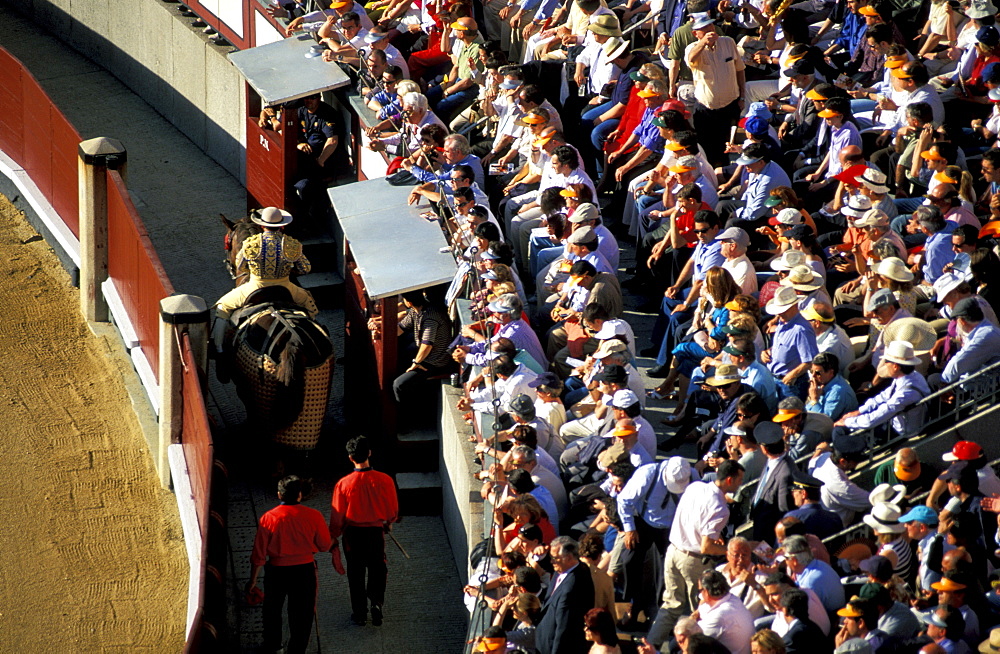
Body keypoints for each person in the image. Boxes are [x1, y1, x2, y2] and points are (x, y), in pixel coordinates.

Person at [647, 459, 745, 646]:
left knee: (670, 605)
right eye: (740, 480)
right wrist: (730, 552)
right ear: (730, 480)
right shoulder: (720, 508)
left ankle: (650, 645)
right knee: (700, 610)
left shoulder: (695, 487)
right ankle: (694, 648)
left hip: (673, 551)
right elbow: (706, 548)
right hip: (693, 561)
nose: (741, 483)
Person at [246, 476, 332, 654]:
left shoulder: (268, 518)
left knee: (272, 611)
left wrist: (252, 581)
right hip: (304, 571)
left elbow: (259, 555)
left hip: (276, 571)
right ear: (300, 495)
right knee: (302, 614)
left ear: (279, 495)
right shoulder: (314, 516)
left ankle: (274, 646)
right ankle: (297, 650)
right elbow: (324, 545)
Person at [213, 207, 318, 351]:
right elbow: (305, 269)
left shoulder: (251, 244)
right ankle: (313, 341)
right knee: (310, 306)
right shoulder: (292, 245)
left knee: (222, 307)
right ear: (282, 225)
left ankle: (219, 349)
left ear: (261, 225)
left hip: (254, 287)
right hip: (287, 288)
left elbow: (242, 267)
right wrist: (287, 268)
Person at [329, 436, 399, 626]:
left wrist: (333, 535)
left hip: (352, 534)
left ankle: (359, 613)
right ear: (369, 453)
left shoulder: (343, 484)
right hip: (375, 533)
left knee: (356, 573)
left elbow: (337, 515)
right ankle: (376, 602)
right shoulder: (384, 480)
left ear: (350, 458)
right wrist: (389, 521)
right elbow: (392, 511)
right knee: (377, 568)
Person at [684, 13, 746, 166]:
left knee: (727, 146)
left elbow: (740, 70)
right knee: (707, 150)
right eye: (704, 28)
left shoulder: (728, 43)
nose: (710, 30)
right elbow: (691, 59)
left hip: (730, 105)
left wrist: (743, 97)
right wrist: (703, 43)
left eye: (711, 25)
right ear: (695, 33)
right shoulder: (692, 48)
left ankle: (725, 177)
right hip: (706, 109)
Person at [535, 535, 595, 654]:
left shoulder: (573, 585)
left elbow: (564, 625)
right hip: (545, 640)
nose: (552, 561)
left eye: (555, 558)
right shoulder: (562, 570)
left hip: (556, 646)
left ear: (569, 557)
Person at [748, 421, 796, 544]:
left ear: (763, 448)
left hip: (770, 535)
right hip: (760, 527)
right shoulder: (771, 462)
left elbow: (784, 510)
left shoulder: (784, 472)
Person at [694, 569, 756, 654]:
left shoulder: (719, 616)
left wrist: (691, 619)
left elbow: (693, 640)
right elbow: (703, 607)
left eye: (700, 590)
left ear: (707, 592)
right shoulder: (733, 599)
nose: (700, 595)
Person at [783, 534, 845, 614]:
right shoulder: (819, 564)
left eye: (785, 558)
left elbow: (801, 613)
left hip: (832, 619)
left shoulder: (809, 582)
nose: (785, 561)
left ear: (794, 560)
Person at [785, 473, 843, 540]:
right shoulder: (834, 517)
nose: (793, 494)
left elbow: (781, 546)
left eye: (794, 491)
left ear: (803, 493)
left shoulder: (792, 517)